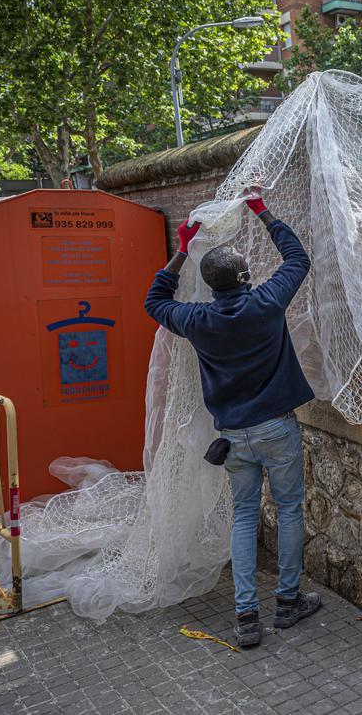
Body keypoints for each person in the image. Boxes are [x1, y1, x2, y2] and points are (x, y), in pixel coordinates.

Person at [144, 191, 320, 649]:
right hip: (277, 428)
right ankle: (287, 602)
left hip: (233, 438)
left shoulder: (197, 319)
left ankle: (246, 617)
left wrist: (182, 250)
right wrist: (261, 211)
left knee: (244, 516)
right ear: (245, 276)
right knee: (287, 511)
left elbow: (154, 300)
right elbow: (297, 257)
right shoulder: (266, 303)